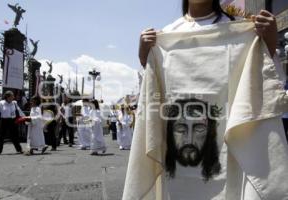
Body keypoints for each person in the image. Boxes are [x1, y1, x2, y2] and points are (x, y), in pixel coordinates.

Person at [123, 0, 288, 200]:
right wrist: (145, 58)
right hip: (176, 165)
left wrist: (268, 45)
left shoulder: (241, 31)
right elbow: (155, 101)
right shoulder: (167, 36)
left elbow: (267, 89)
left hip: (232, 152)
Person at [0, 90, 25, 154]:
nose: (13, 97)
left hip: (13, 121)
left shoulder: (14, 103)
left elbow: (19, 111)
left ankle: (19, 149)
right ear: (8, 97)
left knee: (14, 136)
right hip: (4, 121)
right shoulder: (1, 103)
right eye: (12, 96)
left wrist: (24, 117)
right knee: (2, 136)